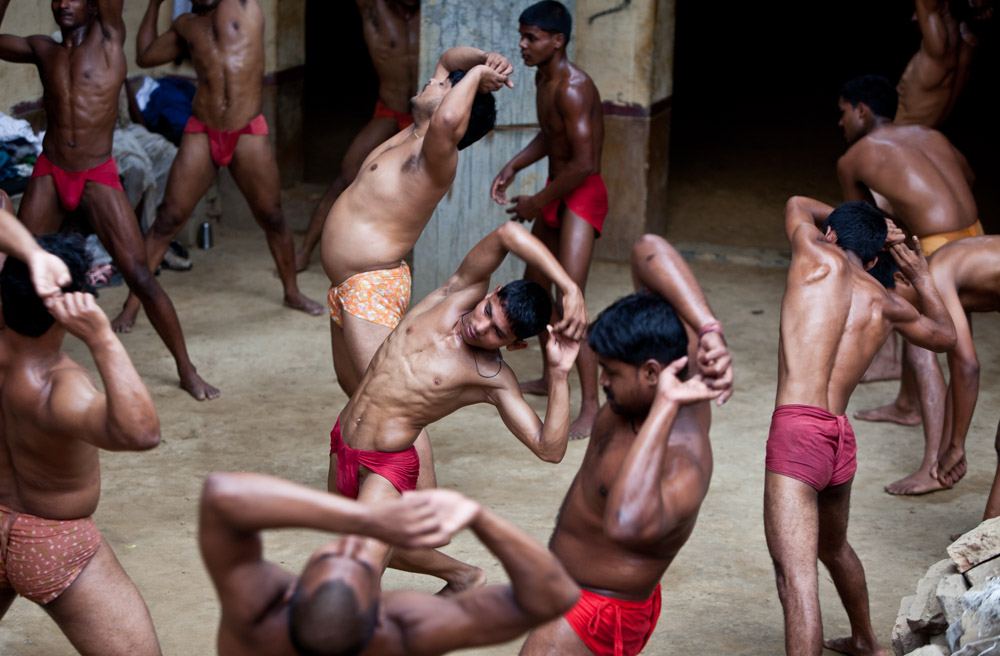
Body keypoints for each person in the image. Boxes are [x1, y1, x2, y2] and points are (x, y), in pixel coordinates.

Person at [329, 220, 587, 592]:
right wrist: (568, 286)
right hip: (343, 441)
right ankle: (464, 576)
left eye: (498, 332)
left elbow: (550, 448)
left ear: (513, 346)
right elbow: (507, 233)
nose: (481, 328)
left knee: (354, 573)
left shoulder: (492, 377)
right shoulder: (456, 293)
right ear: (491, 293)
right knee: (356, 540)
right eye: (488, 312)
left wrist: (560, 375)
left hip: (386, 467)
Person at [519, 233, 734, 656]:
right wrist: (709, 330)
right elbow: (647, 249)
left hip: (600, 608)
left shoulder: (683, 461)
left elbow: (625, 523)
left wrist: (666, 408)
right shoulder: (658, 360)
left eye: (610, 373)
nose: (601, 383)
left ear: (653, 375)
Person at [764, 196, 956, 656]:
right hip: (839, 438)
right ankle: (867, 641)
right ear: (873, 259)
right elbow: (945, 336)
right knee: (834, 548)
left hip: (797, 432)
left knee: (796, 581)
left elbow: (794, 202)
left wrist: (874, 225)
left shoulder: (813, 250)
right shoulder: (886, 301)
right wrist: (924, 278)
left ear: (831, 234)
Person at [0, 0, 218, 400]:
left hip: (96, 175)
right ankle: (10, 365)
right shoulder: (41, 49)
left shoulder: (108, 38)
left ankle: (187, 369)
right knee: (17, 272)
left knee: (139, 274)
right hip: (50, 171)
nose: (64, 3)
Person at [321, 44, 512, 486]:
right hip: (349, 286)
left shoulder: (435, 158)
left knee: (393, 400)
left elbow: (447, 119)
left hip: (371, 285)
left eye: (444, 86)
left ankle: (423, 508)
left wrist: (479, 76)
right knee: (359, 392)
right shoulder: (413, 131)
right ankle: (360, 492)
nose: (435, 81)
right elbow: (448, 57)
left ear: (454, 113)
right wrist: (481, 59)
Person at [109, 0, 323, 335]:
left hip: (247, 131)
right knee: (167, 220)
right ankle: (131, 306)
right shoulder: (187, 24)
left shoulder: (244, 7)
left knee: (272, 216)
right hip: (202, 130)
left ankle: (291, 291)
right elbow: (146, 55)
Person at [199, 471, 580, 656]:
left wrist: (362, 520)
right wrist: (479, 517)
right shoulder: (404, 632)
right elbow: (553, 595)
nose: (355, 546)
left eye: (335, 550)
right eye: (362, 561)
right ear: (381, 611)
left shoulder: (253, 623)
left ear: (291, 592)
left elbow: (222, 494)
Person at [0, 233, 163, 655]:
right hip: (53, 541)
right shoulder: (60, 388)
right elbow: (141, 432)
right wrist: (101, 337)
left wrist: (28, 254)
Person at [836, 74, 984, 493]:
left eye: (842, 112)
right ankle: (906, 405)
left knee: (928, 342)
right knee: (943, 334)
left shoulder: (853, 158)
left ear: (861, 110)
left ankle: (935, 466)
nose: (840, 123)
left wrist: (902, 220)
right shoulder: (929, 133)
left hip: (936, 249)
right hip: (974, 234)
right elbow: (968, 176)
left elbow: (866, 229)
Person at [491, 0, 605, 440]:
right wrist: (515, 165)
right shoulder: (543, 76)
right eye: (522, 36)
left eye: (531, 38)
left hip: (580, 196)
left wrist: (536, 202)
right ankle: (546, 373)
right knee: (536, 288)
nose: (522, 45)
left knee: (570, 301)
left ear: (557, 41)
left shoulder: (574, 86)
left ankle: (592, 405)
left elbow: (586, 164)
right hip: (557, 190)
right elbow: (550, 133)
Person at [294, 0, 420, 272]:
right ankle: (304, 251)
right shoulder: (373, 7)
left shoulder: (435, 15)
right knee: (345, 178)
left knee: (433, 187)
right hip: (388, 110)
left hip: (425, 116)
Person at [883, 236, 1000, 502]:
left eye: (894, 302)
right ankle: (989, 531)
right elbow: (958, 372)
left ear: (902, 278)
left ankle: (990, 536)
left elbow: (968, 368)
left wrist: (957, 446)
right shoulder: (947, 273)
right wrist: (946, 450)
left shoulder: (936, 275)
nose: (896, 315)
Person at [895, 0, 978, 128]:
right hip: (927, 136)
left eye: (917, 13)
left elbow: (925, 4)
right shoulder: (968, 48)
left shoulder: (938, 51)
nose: (914, 18)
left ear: (943, 7)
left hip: (899, 137)